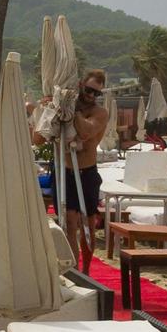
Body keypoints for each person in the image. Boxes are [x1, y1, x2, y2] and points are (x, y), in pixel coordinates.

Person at [56, 70, 111, 238]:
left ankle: (86, 265)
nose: (91, 95)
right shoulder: (64, 108)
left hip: (87, 172)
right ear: (81, 85)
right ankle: (73, 264)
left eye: (96, 93)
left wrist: (74, 111)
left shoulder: (100, 113)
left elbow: (87, 132)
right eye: (89, 90)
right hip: (66, 170)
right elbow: (38, 138)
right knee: (70, 221)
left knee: (88, 224)